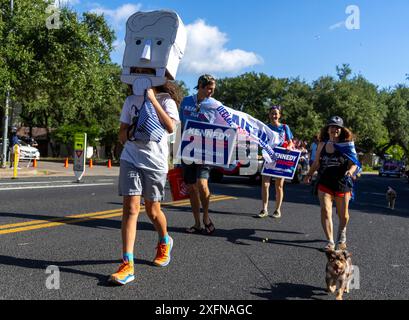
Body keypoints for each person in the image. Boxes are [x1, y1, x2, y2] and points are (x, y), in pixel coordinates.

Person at [109, 81, 181, 286]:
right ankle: (127, 264)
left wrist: (151, 99)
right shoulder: (130, 100)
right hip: (131, 158)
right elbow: (122, 135)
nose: (140, 74)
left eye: (145, 71)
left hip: (156, 164)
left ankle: (165, 240)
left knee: (152, 211)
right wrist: (131, 132)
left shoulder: (167, 101)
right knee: (131, 208)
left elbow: (169, 127)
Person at [304, 116, 358, 252]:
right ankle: (330, 241)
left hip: (342, 183)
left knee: (343, 215)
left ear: (341, 130)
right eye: (332, 126)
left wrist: (350, 172)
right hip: (324, 182)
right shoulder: (321, 144)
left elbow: (354, 165)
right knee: (325, 210)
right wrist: (309, 174)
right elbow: (316, 163)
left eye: (338, 127)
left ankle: (342, 235)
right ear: (328, 129)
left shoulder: (347, 145)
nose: (335, 129)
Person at [179, 74, 217, 235]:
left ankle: (206, 217)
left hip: (205, 149)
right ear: (200, 86)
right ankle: (197, 223)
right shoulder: (186, 101)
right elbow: (180, 126)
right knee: (191, 188)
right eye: (209, 88)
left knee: (202, 184)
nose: (211, 92)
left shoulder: (215, 105)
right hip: (187, 149)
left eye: (213, 89)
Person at [258, 105, 294, 219]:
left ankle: (277, 210)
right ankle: (264, 209)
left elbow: (291, 142)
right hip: (268, 157)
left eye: (276, 113)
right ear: (269, 115)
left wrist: (289, 146)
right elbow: (261, 141)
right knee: (265, 184)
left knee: (279, 185)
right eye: (272, 113)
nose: (274, 115)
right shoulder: (265, 127)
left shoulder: (284, 127)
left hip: (281, 158)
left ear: (279, 115)